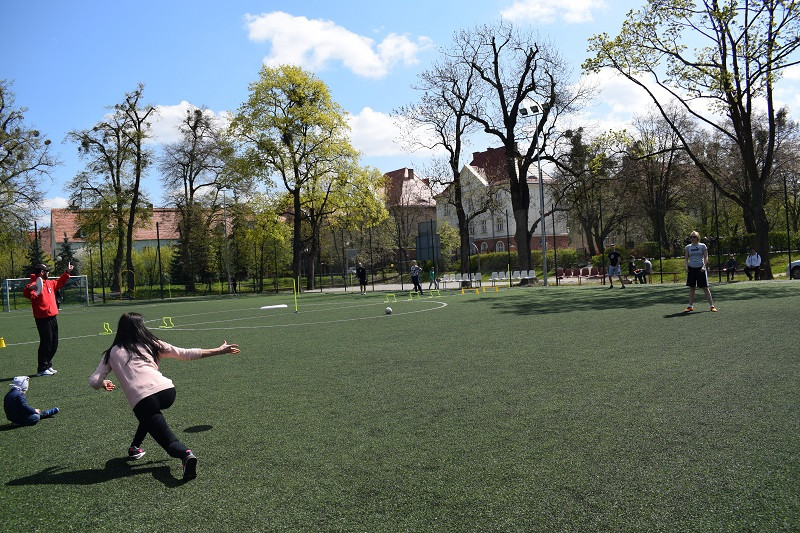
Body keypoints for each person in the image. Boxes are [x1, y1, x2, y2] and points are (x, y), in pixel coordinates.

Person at [89, 312, 240, 480]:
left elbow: (94, 381)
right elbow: (185, 353)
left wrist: (103, 383)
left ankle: (186, 454)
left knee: (168, 440)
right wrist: (219, 350)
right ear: (140, 327)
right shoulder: (150, 343)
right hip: (167, 391)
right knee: (149, 416)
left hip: (143, 399)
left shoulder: (111, 353)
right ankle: (134, 447)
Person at [22, 262, 73, 376]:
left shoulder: (49, 283)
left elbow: (59, 282)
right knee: (46, 342)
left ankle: (47, 365)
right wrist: (32, 289)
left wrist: (67, 272)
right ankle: (42, 368)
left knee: (54, 343)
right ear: (41, 272)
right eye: (47, 271)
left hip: (52, 317)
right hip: (43, 318)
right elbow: (27, 294)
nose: (48, 273)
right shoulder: (33, 285)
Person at [684, 231, 717, 313]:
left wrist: (704, 266)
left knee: (705, 288)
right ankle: (690, 306)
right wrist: (686, 266)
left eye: (694, 237)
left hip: (700, 269)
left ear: (697, 237)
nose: (692, 238)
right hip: (692, 269)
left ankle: (712, 306)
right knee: (692, 288)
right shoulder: (688, 247)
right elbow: (686, 258)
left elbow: (706, 257)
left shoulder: (702, 246)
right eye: (691, 237)